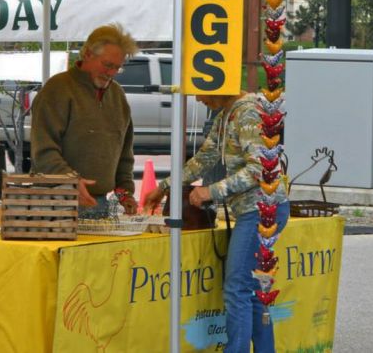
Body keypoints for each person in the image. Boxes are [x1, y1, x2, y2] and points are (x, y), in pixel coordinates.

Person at [145, 91, 289, 353]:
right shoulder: (226, 114)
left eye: (200, 91)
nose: (199, 100)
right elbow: (203, 159)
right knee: (252, 291)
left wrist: (210, 191)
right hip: (258, 208)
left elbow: (260, 169)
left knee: (237, 290)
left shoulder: (247, 112)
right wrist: (165, 186)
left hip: (259, 209)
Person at [31, 23, 139, 216]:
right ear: (88, 54)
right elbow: (44, 151)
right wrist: (71, 181)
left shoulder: (117, 96)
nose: (112, 73)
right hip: (56, 204)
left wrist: (125, 193)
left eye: (117, 68)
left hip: (99, 205)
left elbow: (124, 153)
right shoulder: (57, 90)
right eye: (107, 65)